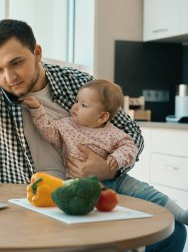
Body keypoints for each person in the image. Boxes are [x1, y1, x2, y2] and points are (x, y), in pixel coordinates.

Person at [0, 19, 186, 251]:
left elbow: (132, 134)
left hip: (88, 199)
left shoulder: (78, 83)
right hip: (26, 204)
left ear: (37, 53)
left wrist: (108, 168)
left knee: (174, 230)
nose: (9, 77)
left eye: (17, 63)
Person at [20, 79, 188, 227]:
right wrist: (37, 109)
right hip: (84, 184)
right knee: (99, 215)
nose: (75, 107)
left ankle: (180, 214)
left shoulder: (112, 132)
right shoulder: (65, 125)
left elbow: (130, 147)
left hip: (118, 179)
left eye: (84, 105)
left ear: (102, 117)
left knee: (145, 191)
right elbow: (47, 131)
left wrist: (118, 157)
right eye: (77, 101)